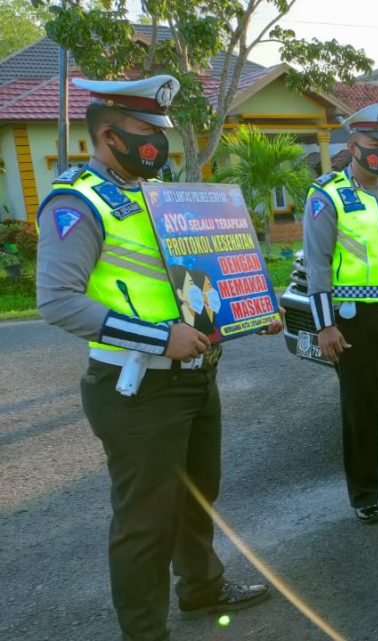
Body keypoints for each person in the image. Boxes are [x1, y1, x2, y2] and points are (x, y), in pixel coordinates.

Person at [35, 75, 276, 641]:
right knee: (145, 521)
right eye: (145, 132)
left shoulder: (160, 194)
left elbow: (191, 278)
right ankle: (145, 633)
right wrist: (157, 338)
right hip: (137, 387)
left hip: (195, 377)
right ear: (107, 135)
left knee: (198, 496)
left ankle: (201, 588)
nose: (157, 144)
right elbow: (57, 301)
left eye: (160, 132)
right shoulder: (76, 201)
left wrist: (245, 308)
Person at [303, 102, 378, 523]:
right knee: (360, 408)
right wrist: (324, 324)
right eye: (374, 144)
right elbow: (317, 264)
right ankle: (365, 495)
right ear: (352, 146)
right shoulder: (328, 194)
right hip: (352, 320)